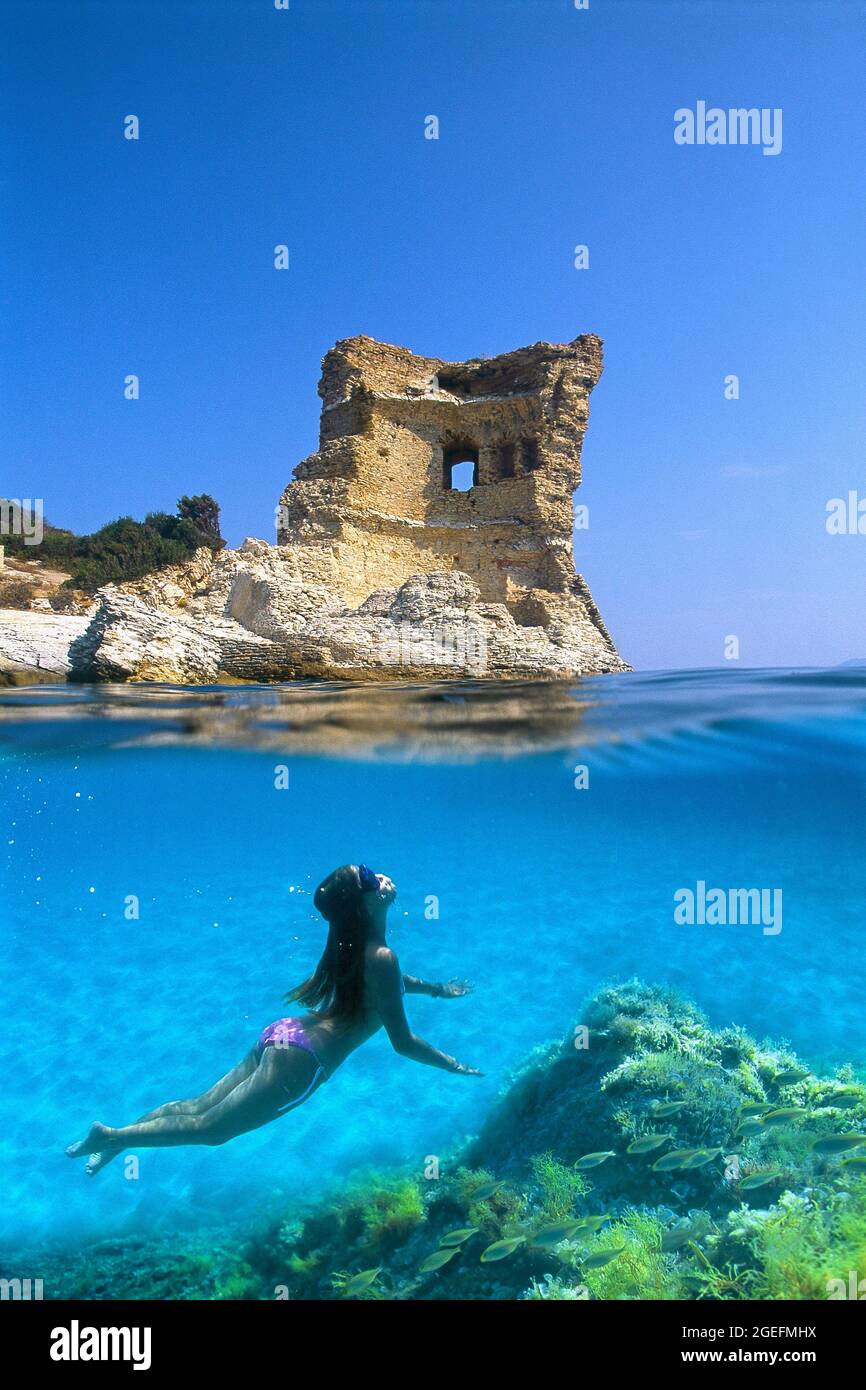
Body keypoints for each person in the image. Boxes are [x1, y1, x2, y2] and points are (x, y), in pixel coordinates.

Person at [66, 864, 481, 1175]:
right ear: (364, 902)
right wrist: (453, 1065)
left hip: (284, 1035)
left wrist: (437, 990)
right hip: (303, 1061)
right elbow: (403, 1042)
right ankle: (113, 1136)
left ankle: (122, 1138)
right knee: (211, 1130)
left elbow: (392, 983)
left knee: (194, 1107)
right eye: (372, 880)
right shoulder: (381, 955)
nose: (383, 879)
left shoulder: (351, 944)